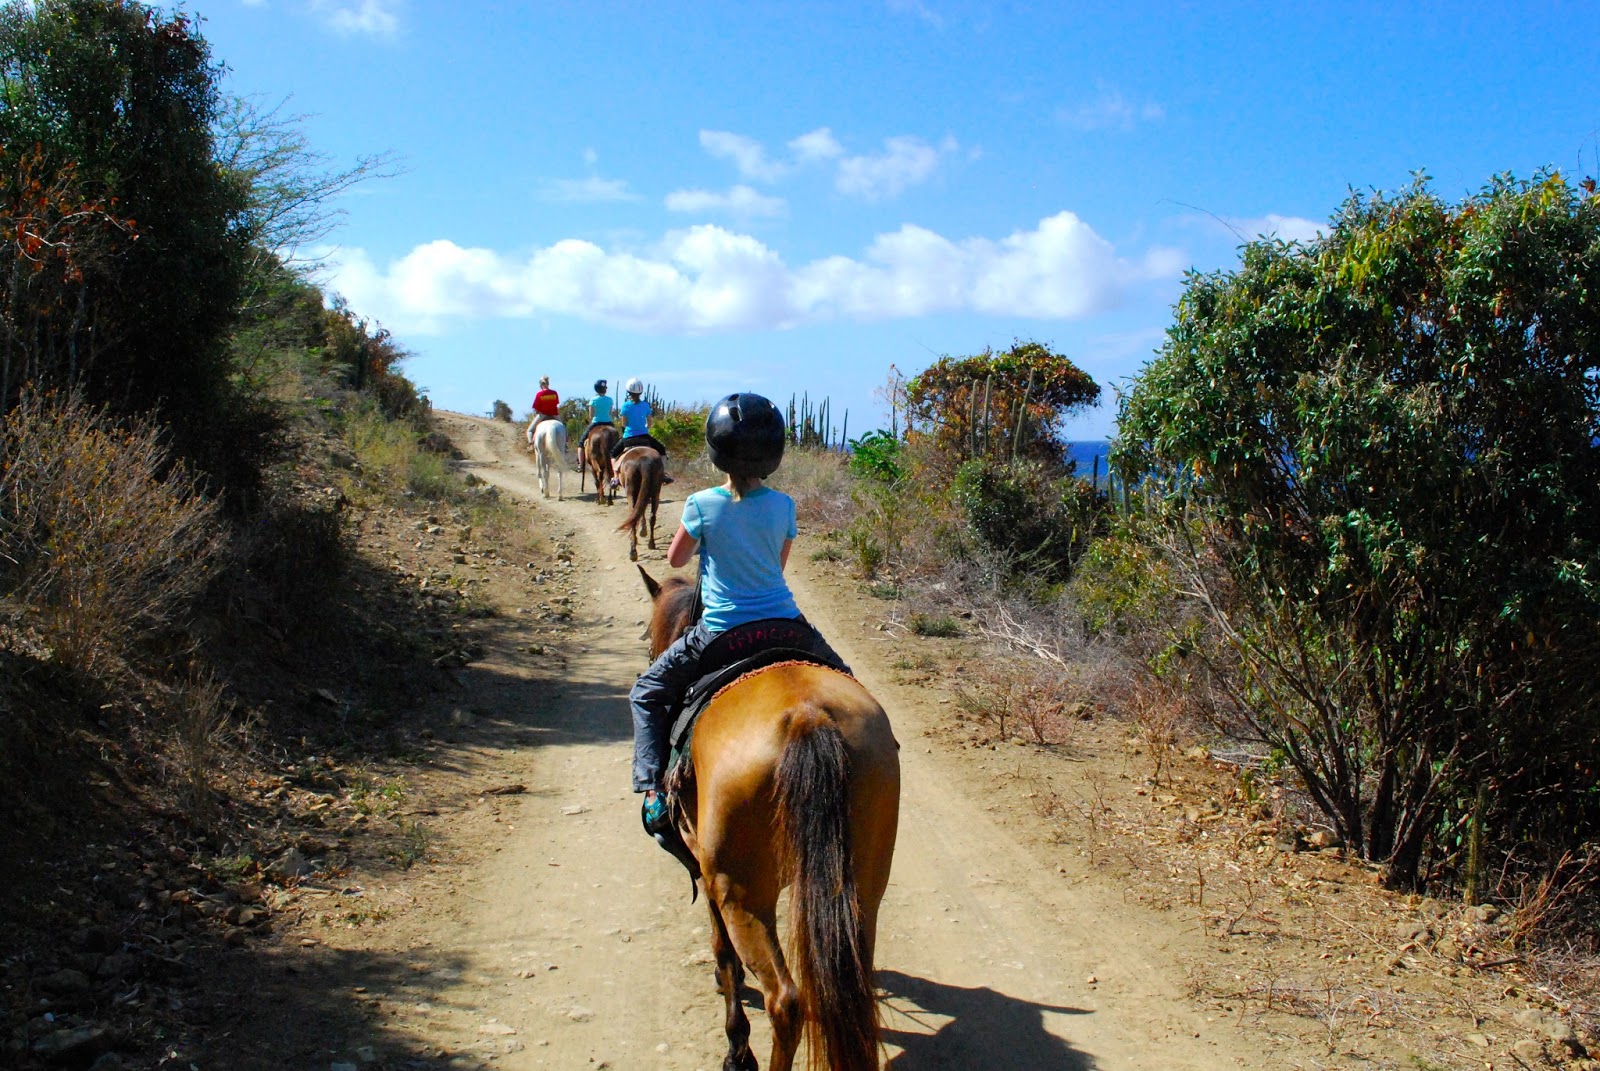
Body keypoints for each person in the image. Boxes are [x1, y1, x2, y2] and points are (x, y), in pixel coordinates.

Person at [630, 393, 848, 832]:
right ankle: (887, 746)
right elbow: (778, 566)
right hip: (787, 625)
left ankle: (653, 790)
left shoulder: (701, 504)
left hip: (722, 630)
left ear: (717, 453)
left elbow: (675, 561)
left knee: (647, 692)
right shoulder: (784, 505)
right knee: (845, 680)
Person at [576, 379, 615, 451]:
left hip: (596, 423)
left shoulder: (593, 400)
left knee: (581, 443)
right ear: (605, 390)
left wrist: (590, 421)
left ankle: (580, 462)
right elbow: (610, 413)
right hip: (608, 423)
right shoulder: (610, 400)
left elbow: (591, 415)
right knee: (617, 440)